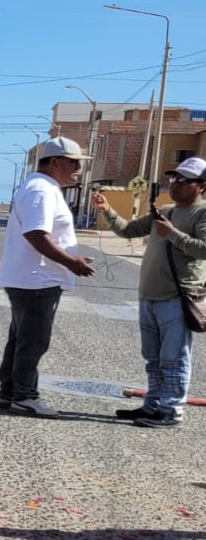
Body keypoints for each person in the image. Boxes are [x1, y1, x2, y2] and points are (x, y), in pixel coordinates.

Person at [91, 158, 206, 428]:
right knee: (153, 358)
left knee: (174, 358)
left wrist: (173, 234)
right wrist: (107, 210)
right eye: (173, 178)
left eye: (183, 180)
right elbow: (128, 230)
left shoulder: (201, 214)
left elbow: (203, 249)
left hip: (177, 298)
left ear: (201, 186)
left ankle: (171, 410)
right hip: (150, 296)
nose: (175, 184)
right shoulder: (164, 210)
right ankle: (152, 405)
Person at [0, 137, 96, 417]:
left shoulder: (44, 187)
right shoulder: (41, 189)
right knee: (34, 341)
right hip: (37, 279)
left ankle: (10, 392)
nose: (78, 168)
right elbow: (36, 233)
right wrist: (70, 261)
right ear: (53, 162)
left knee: (21, 338)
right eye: (73, 162)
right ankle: (25, 396)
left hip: (33, 278)